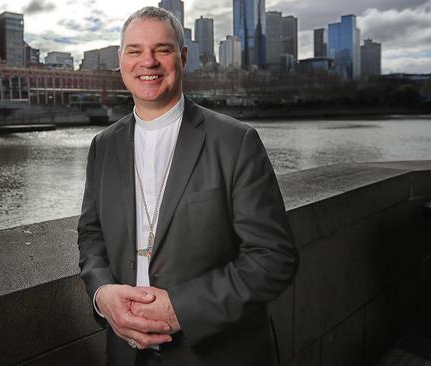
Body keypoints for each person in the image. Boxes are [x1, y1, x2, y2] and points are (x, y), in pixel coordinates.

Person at [77, 6, 299, 366]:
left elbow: (274, 259)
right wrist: (101, 293)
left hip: (216, 354)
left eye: (161, 49)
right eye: (134, 51)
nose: (147, 62)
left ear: (182, 57)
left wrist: (181, 309)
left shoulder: (235, 141)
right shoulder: (103, 146)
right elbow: (90, 234)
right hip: (127, 353)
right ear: (121, 60)